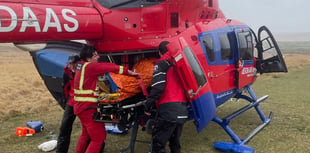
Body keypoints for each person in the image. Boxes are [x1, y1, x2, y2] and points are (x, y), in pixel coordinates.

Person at [73, 45, 138, 153]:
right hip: (87, 108)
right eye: (95, 55)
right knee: (98, 138)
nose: (98, 57)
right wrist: (129, 72)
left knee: (85, 135)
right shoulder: (90, 67)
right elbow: (109, 67)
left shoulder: (81, 65)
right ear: (88, 58)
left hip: (80, 107)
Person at [144, 41, 188, 153]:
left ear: (159, 52)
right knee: (175, 143)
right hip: (182, 109)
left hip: (168, 109)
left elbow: (158, 88)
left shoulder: (161, 64)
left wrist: (148, 104)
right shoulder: (179, 64)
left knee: (158, 144)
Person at [56, 55, 80, 153]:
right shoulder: (67, 72)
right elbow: (65, 87)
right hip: (72, 101)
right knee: (64, 127)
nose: (72, 66)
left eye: (74, 64)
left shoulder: (86, 70)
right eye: (70, 64)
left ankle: (95, 147)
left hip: (85, 102)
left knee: (89, 128)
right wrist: (65, 102)